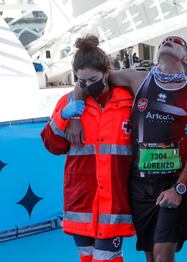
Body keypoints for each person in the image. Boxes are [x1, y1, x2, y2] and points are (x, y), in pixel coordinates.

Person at [66, 35, 187, 262]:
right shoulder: (137, 79)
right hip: (139, 183)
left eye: (176, 41)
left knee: (162, 254)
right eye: (165, 40)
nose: (168, 40)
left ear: (186, 58)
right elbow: (86, 79)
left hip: (172, 182)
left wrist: (179, 188)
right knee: (151, 255)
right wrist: (75, 115)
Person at [41, 35, 135, 262]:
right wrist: (64, 117)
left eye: (93, 79)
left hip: (115, 199)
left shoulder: (128, 100)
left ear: (106, 72)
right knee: (87, 258)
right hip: (81, 200)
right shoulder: (68, 103)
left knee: (107, 257)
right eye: (81, 81)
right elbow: (53, 146)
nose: (87, 86)